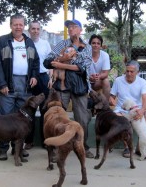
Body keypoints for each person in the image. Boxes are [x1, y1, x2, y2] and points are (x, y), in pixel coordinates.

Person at [0, 14, 39, 161]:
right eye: (15, 24)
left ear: (24, 26)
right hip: (7, 86)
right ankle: (3, 149)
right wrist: (1, 84)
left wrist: (34, 76)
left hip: (25, 87)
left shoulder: (29, 42)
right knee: (4, 119)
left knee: (22, 119)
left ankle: (17, 149)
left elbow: (36, 62)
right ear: (10, 25)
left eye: (21, 24)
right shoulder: (2, 41)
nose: (18, 27)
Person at [43, 19, 94, 159]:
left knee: (82, 118)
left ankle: (83, 146)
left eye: (74, 27)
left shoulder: (87, 47)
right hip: (61, 84)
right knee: (56, 116)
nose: (71, 29)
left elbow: (82, 68)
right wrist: (64, 58)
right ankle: (54, 148)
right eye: (69, 27)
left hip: (79, 85)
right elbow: (47, 62)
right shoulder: (62, 44)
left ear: (80, 30)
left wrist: (59, 63)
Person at [109, 60, 146, 158]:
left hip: (136, 109)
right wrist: (111, 100)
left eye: (131, 72)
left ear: (137, 72)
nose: (128, 73)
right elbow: (111, 97)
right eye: (127, 71)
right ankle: (127, 147)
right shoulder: (118, 80)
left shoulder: (142, 82)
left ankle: (139, 147)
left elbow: (145, 100)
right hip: (121, 110)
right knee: (122, 119)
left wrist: (141, 111)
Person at [24, 20, 52, 150]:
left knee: (45, 110)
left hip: (43, 78)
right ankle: (28, 141)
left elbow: (51, 62)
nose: (35, 31)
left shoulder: (45, 44)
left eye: (37, 29)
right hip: (29, 79)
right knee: (29, 111)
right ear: (29, 30)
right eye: (33, 29)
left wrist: (50, 78)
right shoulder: (24, 43)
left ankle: (45, 141)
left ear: (40, 30)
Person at [89, 34, 111, 100]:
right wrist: (89, 77)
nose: (96, 45)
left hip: (97, 82)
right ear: (90, 44)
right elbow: (80, 71)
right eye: (93, 43)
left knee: (106, 81)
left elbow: (106, 73)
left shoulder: (105, 55)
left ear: (101, 46)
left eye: (98, 43)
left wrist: (98, 77)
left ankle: (106, 106)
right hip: (85, 82)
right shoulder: (85, 55)